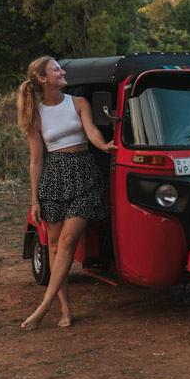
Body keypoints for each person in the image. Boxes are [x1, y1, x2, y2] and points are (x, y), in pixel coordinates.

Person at [17, 56, 117, 330]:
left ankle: (43, 306)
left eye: (60, 68)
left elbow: (92, 132)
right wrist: (35, 199)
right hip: (54, 178)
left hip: (84, 172)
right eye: (56, 69)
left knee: (69, 240)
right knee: (53, 244)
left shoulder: (78, 102)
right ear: (43, 79)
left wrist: (104, 145)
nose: (62, 72)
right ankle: (65, 306)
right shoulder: (35, 114)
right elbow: (36, 161)